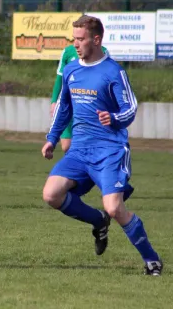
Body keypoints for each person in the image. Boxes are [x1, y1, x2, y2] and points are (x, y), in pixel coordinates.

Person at [42, 15, 162, 276]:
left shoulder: (113, 71)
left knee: (115, 207)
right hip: (79, 150)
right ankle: (98, 222)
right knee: (51, 194)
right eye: (74, 38)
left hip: (109, 149)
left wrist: (115, 118)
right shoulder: (72, 69)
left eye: (81, 39)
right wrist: (51, 138)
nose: (75, 43)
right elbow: (64, 107)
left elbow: (130, 107)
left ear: (96, 40)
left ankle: (151, 260)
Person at [50, 44, 108, 153]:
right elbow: (60, 79)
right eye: (76, 38)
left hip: (89, 105)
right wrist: (54, 101)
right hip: (69, 104)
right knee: (66, 146)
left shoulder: (103, 52)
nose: (77, 42)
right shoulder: (68, 52)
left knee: (86, 143)